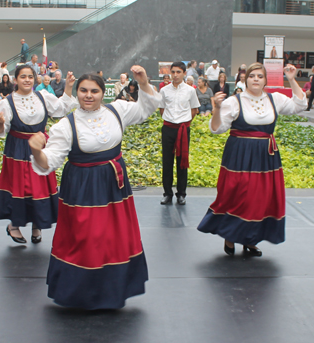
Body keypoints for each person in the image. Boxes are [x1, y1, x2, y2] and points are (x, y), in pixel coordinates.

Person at [28, 65, 161, 309]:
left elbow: (147, 109)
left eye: (94, 91)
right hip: (82, 189)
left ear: (103, 93)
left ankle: (112, 292)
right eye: (83, 90)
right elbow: (48, 163)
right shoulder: (66, 126)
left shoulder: (117, 110)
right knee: (87, 239)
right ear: (76, 93)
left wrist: (143, 82)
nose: (88, 95)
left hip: (114, 185)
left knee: (114, 236)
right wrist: (37, 151)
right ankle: (82, 294)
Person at [197, 63, 307, 257]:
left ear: (265, 80)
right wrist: (217, 108)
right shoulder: (234, 101)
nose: (256, 79)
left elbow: (300, 105)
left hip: (266, 157)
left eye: (260, 76)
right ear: (245, 79)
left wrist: (291, 79)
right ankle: (230, 235)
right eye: (252, 76)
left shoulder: (275, 99)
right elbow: (217, 129)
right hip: (239, 156)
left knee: (260, 199)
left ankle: (251, 240)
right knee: (238, 196)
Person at [0, 64, 75, 244]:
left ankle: (37, 224)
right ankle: (14, 225)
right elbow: (0, 130)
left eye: (30, 76)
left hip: (40, 146)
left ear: (35, 79)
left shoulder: (42, 97)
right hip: (17, 149)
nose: (27, 80)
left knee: (39, 186)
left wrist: (68, 86)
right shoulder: (7, 102)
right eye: (23, 77)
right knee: (21, 187)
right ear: (15, 80)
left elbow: (61, 108)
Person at [159, 62, 200, 205]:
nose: (175, 75)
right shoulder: (164, 90)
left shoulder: (190, 90)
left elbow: (194, 110)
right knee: (167, 161)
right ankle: (167, 193)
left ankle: (181, 194)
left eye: (178, 72)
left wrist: (184, 123)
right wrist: (171, 121)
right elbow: (162, 109)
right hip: (168, 128)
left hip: (183, 129)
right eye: (173, 72)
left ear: (184, 73)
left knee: (182, 162)